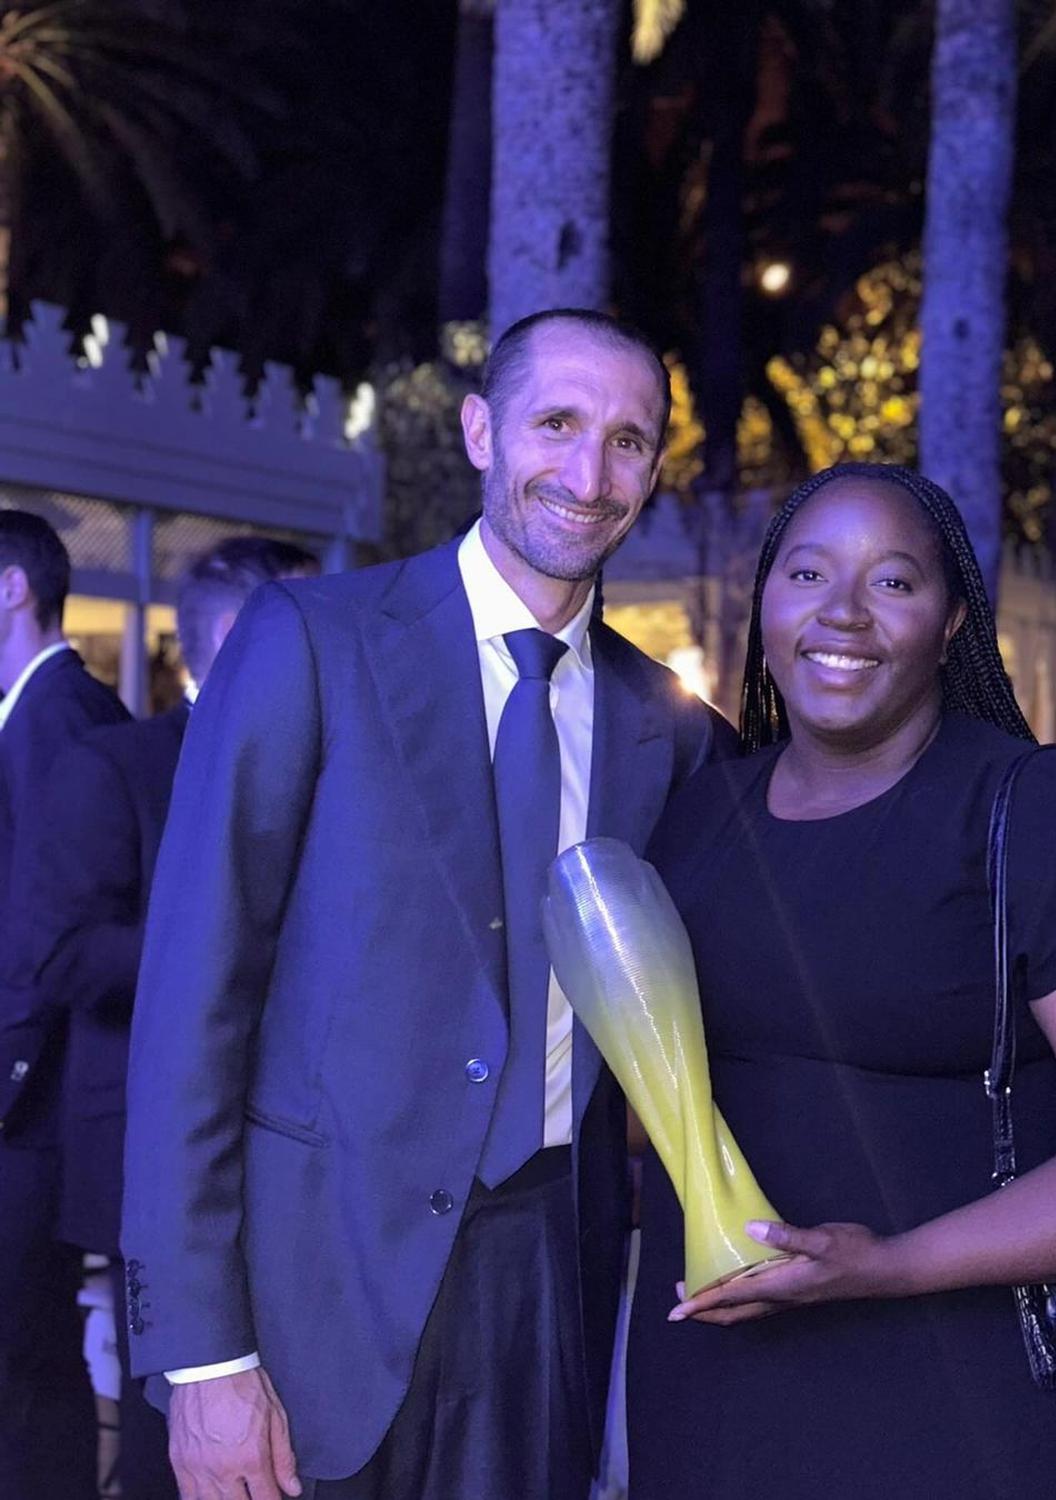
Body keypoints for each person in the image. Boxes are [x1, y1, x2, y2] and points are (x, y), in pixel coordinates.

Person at [121, 309, 735, 1500]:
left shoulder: (668, 725)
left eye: (628, 440)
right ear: (479, 431)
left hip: (552, 1275)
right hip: (314, 1290)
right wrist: (203, 1356)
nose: (588, 472)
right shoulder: (313, 642)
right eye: (557, 424)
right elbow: (194, 1002)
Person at [626, 463, 1056, 1500]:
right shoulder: (703, 816)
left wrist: (885, 1264)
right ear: (765, 605)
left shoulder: (1040, 813)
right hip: (709, 1383)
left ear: (950, 625)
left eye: (893, 582)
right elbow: (655, 1095)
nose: (842, 612)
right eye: (806, 573)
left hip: (956, 1397)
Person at [23, 535, 319, 1500]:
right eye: (316, 627)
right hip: (156, 1156)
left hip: (315, 1156)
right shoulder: (115, 765)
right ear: (237, 637)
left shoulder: (345, 767)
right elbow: (59, 953)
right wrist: (223, 943)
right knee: (172, 1435)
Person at [0, 509, 130, 1500]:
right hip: (34, 1108)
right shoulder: (45, 713)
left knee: (25, 1367)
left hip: (33, 1116)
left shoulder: (58, 720)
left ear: (10, 589)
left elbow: (44, 940)